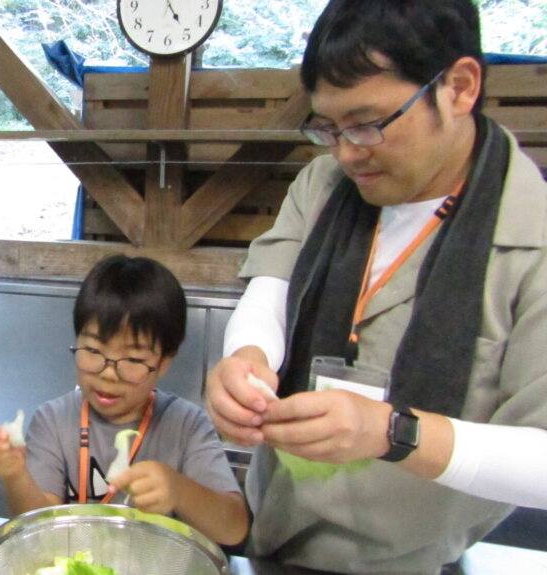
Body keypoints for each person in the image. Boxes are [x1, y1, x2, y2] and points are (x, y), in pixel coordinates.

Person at [205, 0, 547, 572]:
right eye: (329, 128)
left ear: (459, 87)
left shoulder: (531, 237)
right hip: (277, 536)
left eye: (368, 124)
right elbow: (269, 291)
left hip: (414, 559)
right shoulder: (324, 185)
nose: (346, 152)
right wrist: (247, 358)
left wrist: (392, 432)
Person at [0, 254, 249, 546]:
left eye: (133, 359)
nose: (108, 374)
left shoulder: (187, 426)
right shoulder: (54, 421)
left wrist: (179, 490)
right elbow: (38, 531)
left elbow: (233, 529)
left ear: (164, 361)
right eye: (93, 351)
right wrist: (14, 475)